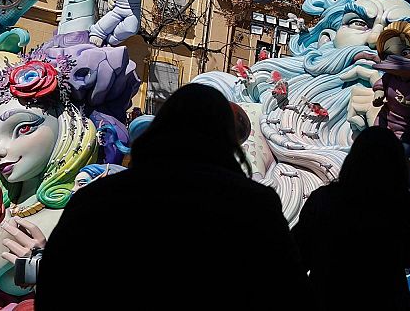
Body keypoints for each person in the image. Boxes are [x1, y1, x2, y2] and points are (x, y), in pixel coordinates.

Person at [36, 83, 307, 311]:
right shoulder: (253, 205)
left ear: (160, 126)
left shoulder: (97, 199)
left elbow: (56, 286)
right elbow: (288, 292)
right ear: (227, 140)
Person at [293, 126, 410, 310]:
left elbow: (298, 254)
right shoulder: (399, 206)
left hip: (330, 299)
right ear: (396, 167)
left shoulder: (323, 200)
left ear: (353, 160)